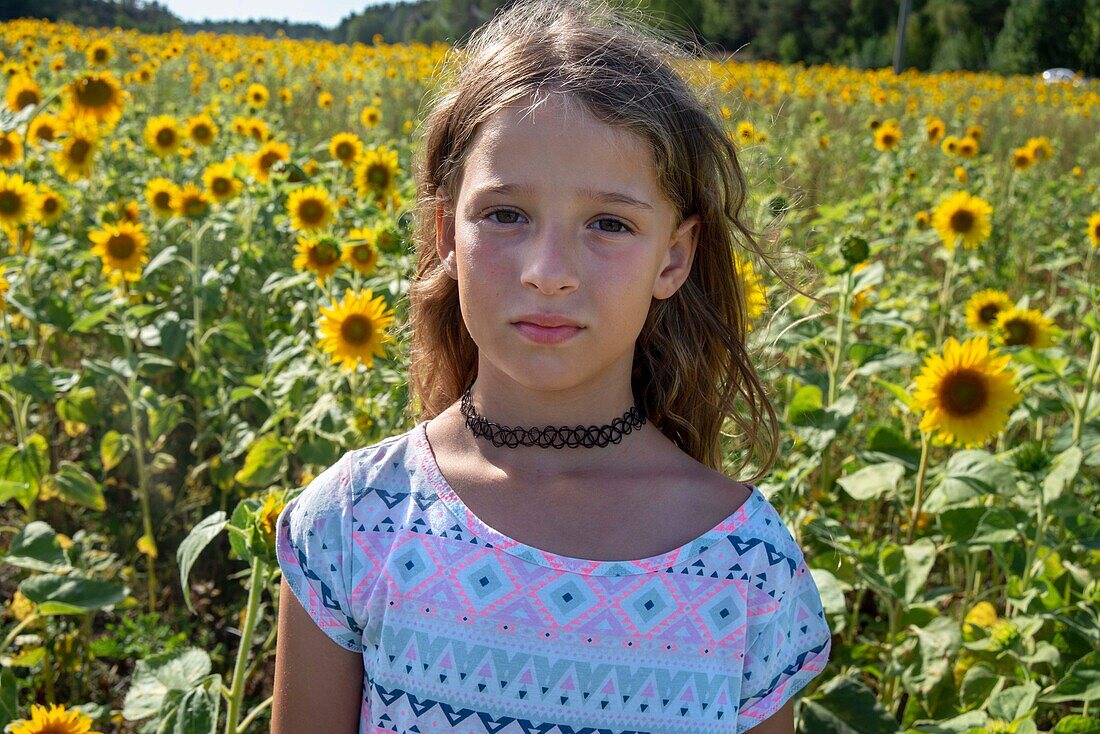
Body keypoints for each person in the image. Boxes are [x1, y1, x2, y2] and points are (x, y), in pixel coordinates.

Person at [272, 0, 832, 731]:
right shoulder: (353, 522)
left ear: (674, 256)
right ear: (447, 232)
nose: (548, 271)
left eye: (609, 224)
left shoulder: (748, 565)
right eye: (506, 214)